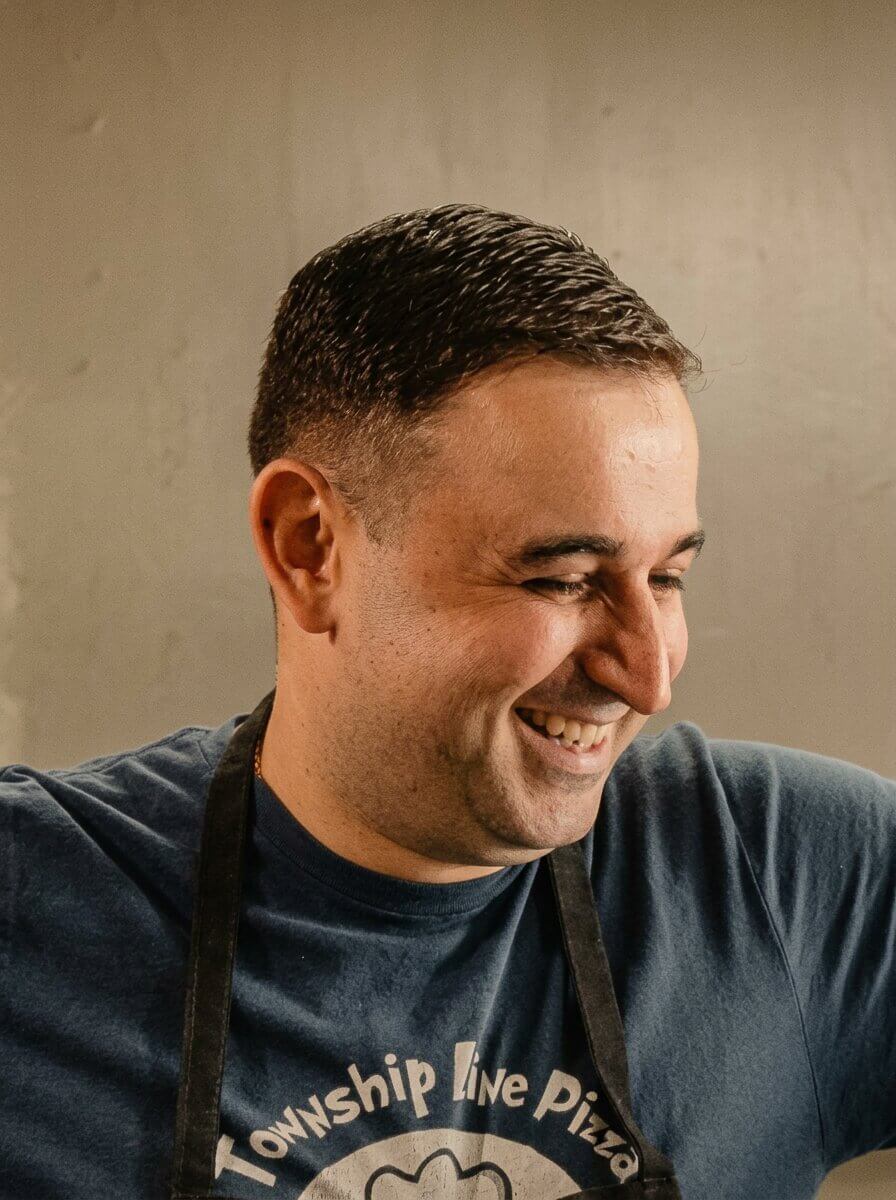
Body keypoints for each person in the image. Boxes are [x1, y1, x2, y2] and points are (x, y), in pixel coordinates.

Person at [1, 204, 893, 1200]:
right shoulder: (28, 901)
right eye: (560, 580)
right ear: (310, 548)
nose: (648, 677)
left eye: (667, 578)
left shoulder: (796, 879)